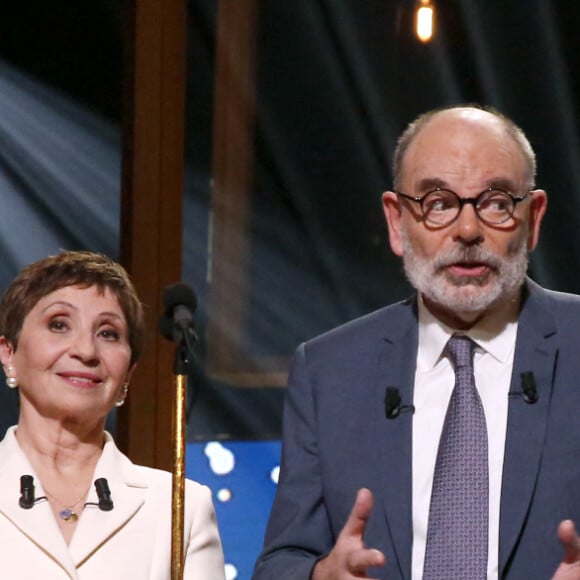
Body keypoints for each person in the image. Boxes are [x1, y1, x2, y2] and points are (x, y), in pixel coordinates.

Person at [252, 105, 580, 579]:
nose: (468, 231)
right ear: (396, 221)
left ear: (533, 218)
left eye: (495, 202)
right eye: (439, 203)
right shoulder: (330, 371)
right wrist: (321, 576)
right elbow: (280, 564)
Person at [0, 250, 225, 579]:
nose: (86, 351)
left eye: (108, 333)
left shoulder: (180, 509)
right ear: (9, 353)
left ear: (129, 374)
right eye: (59, 325)